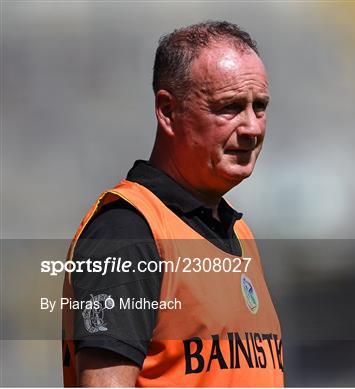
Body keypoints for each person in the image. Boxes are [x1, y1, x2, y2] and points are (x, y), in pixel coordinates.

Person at [62, 21, 283, 387]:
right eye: (229, 107)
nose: (252, 127)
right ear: (168, 111)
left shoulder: (239, 233)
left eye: (259, 106)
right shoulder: (129, 231)